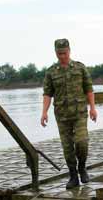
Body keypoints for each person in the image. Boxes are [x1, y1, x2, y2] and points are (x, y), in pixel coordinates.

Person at [41, 38, 98, 189]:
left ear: (69, 51)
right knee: (67, 148)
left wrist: (92, 108)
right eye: (59, 54)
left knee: (82, 141)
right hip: (62, 115)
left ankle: (82, 168)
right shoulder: (51, 72)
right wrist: (44, 112)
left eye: (64, 53)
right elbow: (47, 94)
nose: (62, 56)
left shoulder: (80, 68)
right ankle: (73, 176)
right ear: (55, 53)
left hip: (79, 113)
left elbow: (89, 89)